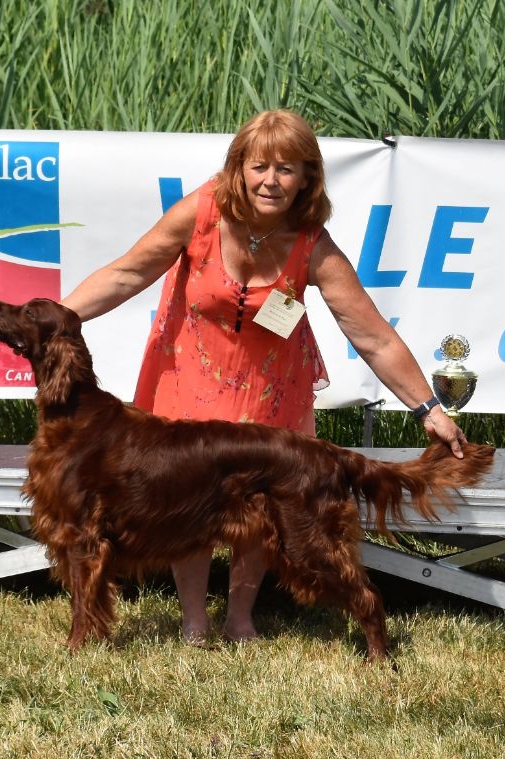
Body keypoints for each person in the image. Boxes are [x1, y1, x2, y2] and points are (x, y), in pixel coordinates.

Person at [60, 109, 468, 645]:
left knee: (262, 504)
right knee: (188, 497)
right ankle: (193, 622)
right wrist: (57, 319)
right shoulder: (202, 213)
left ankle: (240, 618)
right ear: (239, 169)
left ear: (308, 179)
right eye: (259, 166)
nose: (271, 181)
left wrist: (428, 409)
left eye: (287, 169)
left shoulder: (311, 245)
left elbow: (374, 336)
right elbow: (127, 272)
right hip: (189, 373)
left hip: (271, 386)